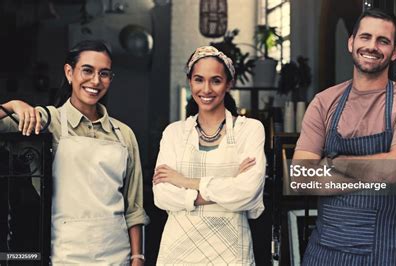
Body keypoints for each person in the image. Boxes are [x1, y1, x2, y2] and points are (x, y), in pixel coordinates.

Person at [294, 9, 396, 265]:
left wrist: (331, 166)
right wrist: (374, 173)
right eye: (365, 37)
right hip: (326, 250)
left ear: (395, 51)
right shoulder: (324, 103)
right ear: (351, 43)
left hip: (388, 250)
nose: (372, 46)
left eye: (383, 41)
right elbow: (301, 177)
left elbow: (394, 170)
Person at [0, 40, 149, 265]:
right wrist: (12, 106)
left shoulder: (124, 134)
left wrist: (137, 258)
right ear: (69, 72)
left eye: (104, 73)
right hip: (66, 255)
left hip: (118, 256)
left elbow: (134, 207)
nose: (96, 81)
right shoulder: (47, 122)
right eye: (87, 70)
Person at [152, 46, 266, 265]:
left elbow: (248, 193)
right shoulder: (174, 133)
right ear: (189, 82)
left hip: (231, 253)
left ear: (228, 84)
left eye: (215, 80)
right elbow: (162, 195)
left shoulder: (249, 129)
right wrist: (229, 186)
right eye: (199, 80)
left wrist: (185, 182)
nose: (206, 89)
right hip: (178, 252)